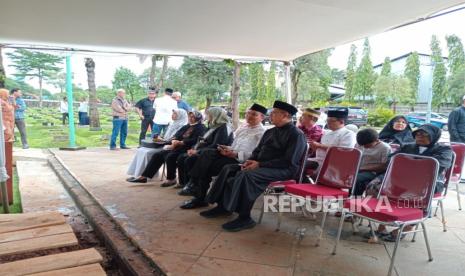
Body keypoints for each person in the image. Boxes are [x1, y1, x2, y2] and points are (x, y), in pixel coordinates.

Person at [201, 100, 306, 232]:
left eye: (274, 113)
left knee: (247, 176)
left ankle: (245, 217)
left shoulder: (296, 135)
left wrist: (260, 164)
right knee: (230, 169)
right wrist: (250, 161)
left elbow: (289, 161)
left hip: (283, 170)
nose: (270, 115)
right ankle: (222, 206)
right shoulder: (270, 132)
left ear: (285, 115)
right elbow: (257, 151)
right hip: (262, 165)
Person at [366, 124, 453, 242]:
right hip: (402, 178)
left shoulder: (443, 150)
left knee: (415, 192)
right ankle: (382, 225)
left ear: (433, 136)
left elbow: (440, 166)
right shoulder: (407, 147)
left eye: (424, 134)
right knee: (375, 186)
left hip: (428, 182)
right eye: (417, 133)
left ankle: (406, 228)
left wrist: (409, 165)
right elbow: (392, 160)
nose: (419, 136)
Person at [179, 103, 267, 209]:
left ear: (262, 117)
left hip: (241, 161)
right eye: (248, 113)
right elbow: (234, 145)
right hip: (229, 156)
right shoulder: (243, 128)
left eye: (254, 114)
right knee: (203, 158)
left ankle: (196, 190)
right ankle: (196, 191)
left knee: (205, 165)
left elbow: (256, 155)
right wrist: (227, 148)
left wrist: (235, 153)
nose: (249, 116)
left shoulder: (262, 133)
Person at [127, 111, 206, 184]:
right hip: (176, 147)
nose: (190, 118)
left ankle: (171, 179)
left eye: (193, 117)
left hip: (187, 148)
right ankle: (144, 177)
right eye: (189, 117)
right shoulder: (186, 126)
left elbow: (197, 139)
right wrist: (172, 141)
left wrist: (182, 142)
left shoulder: (201, 127)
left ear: (198, 118)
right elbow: (176, 135)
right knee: (158, 155)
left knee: (170, 156)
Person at [176, 107, 234, 191]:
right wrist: (193, 148)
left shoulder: (223, 127)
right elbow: (202, 140)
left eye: (209, 115)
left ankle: (194, 185)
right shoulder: (212, 126)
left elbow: (216, 145)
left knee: (190, 159)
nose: (207, 117)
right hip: (205, 151)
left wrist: (197, 151)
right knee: (183, 157)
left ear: (215, 115)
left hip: (215, 153)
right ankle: (187, 184)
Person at [352, 128, 391, 196]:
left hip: (373, 172)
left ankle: (356, 198)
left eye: (367, 145)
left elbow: (384, 166)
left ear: (376, 140)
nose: (364, 147)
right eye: (362, 145)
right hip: (359, 168)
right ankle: (350, 196)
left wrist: (362, 168)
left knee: (356, 178)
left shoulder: (385, 148)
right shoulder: (360, 144)